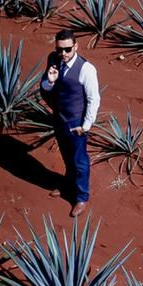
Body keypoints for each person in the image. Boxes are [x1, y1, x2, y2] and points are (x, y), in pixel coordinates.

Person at [40, 29, 100, 217]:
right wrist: (50, 82)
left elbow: (93, 99)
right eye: (59, 49)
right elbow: (44, 86)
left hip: (76, 123)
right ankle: (67, 184)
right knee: (66, 156)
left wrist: (86, 126)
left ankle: (81, 197)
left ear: (76, 46)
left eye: (67, 49)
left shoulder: (86, 69)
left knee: (79, 161)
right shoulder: (53, 59)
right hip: (59, 119)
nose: (63, 54)